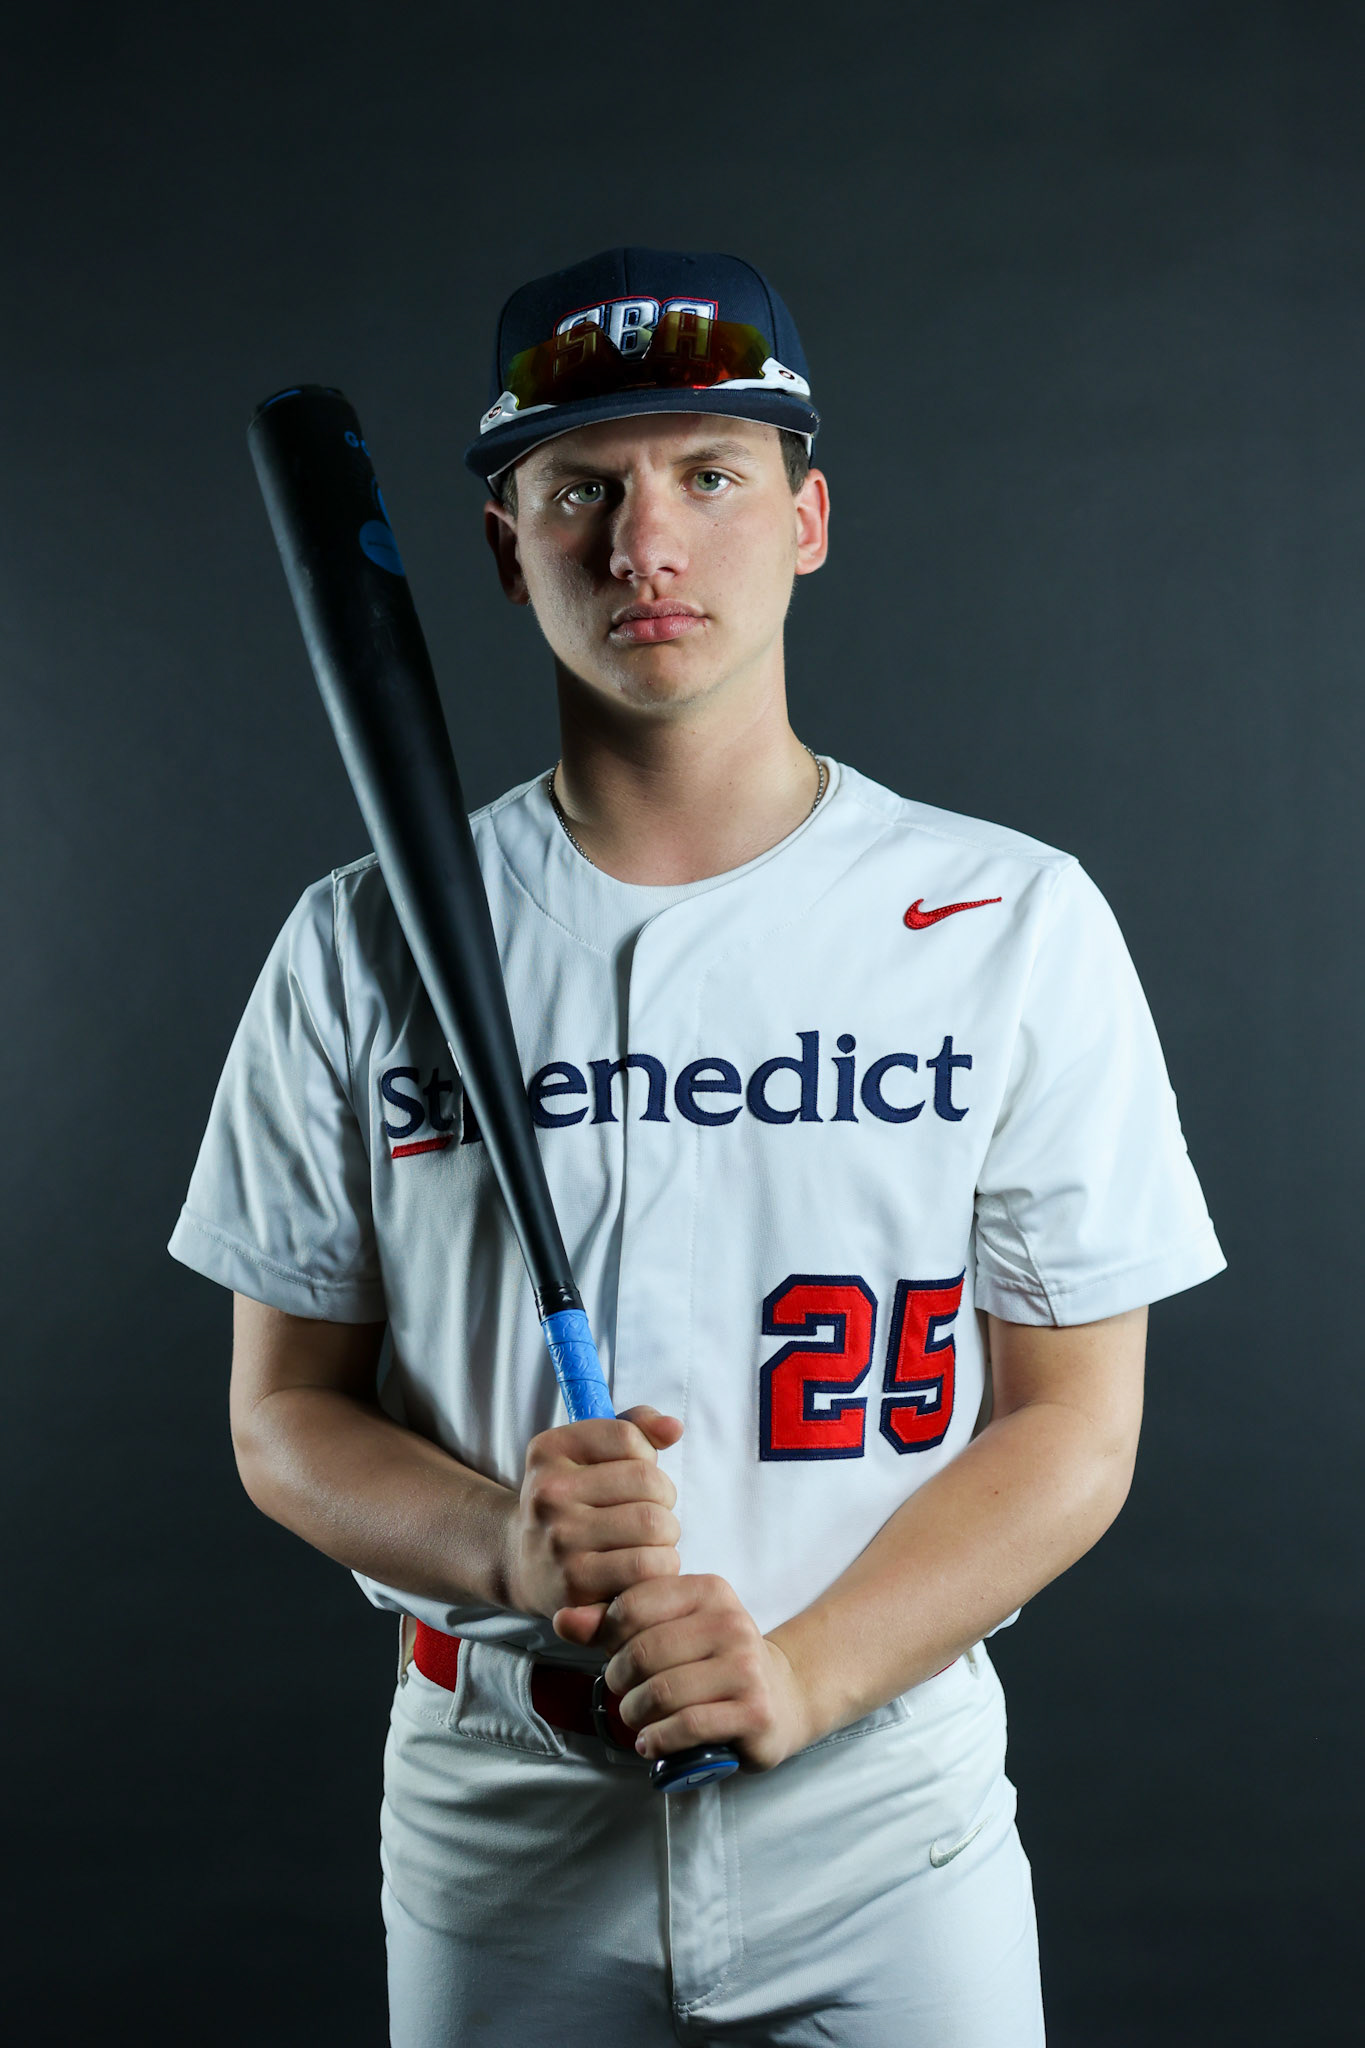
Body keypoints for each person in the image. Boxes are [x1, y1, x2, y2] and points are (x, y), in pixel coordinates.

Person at [169, 246, 1225, 2046]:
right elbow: (282, 1415)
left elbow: (1077, 1425)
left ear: (805, 518)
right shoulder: (359, 939)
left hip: (883, 1803)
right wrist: (505, 1544)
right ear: (507, 551)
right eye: (581, 489)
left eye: (708, 476)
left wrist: (804, 1670)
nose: (642, 544)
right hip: (498, 1796)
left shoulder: (1004, 917)